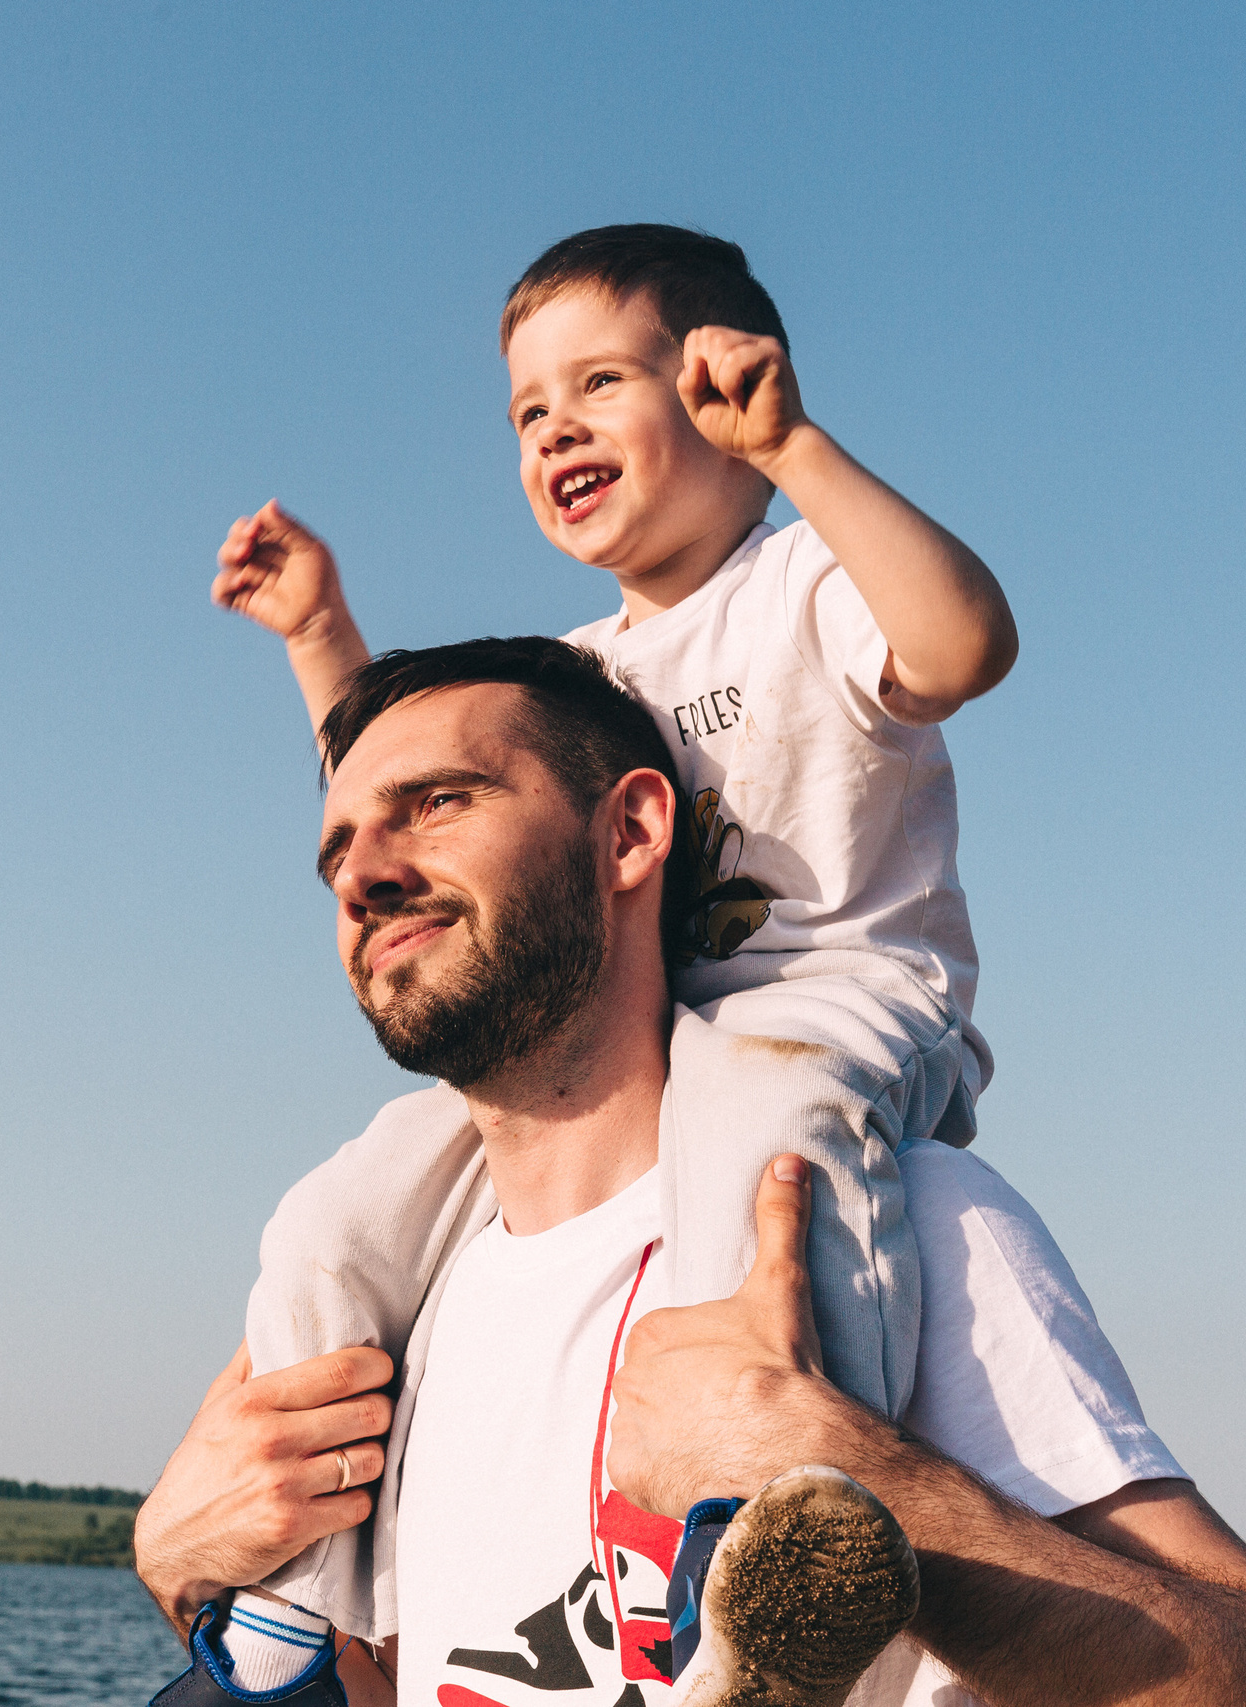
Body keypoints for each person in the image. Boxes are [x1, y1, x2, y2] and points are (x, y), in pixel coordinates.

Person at [135, 641, 1246, 1706]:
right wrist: (187, 1574)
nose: (365, 873)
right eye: (337, 850)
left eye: (439, 802)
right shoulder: (393, 1322)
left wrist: (860, 1480)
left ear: (630, 831)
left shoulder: (906, 1224)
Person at [202, 224, 1019, 1667]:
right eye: (527, 410)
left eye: (597, 385)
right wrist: (318, 628)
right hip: (637, 1046)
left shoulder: (804, 586)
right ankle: (304, 1605)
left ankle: (764, 1521)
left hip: (824, 1011)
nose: (554, 428)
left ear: (718, 384)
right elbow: (399, 777)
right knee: (334, 1217)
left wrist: (797, 450)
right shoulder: (583, 672)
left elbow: (960, 647)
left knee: (771, 1131)